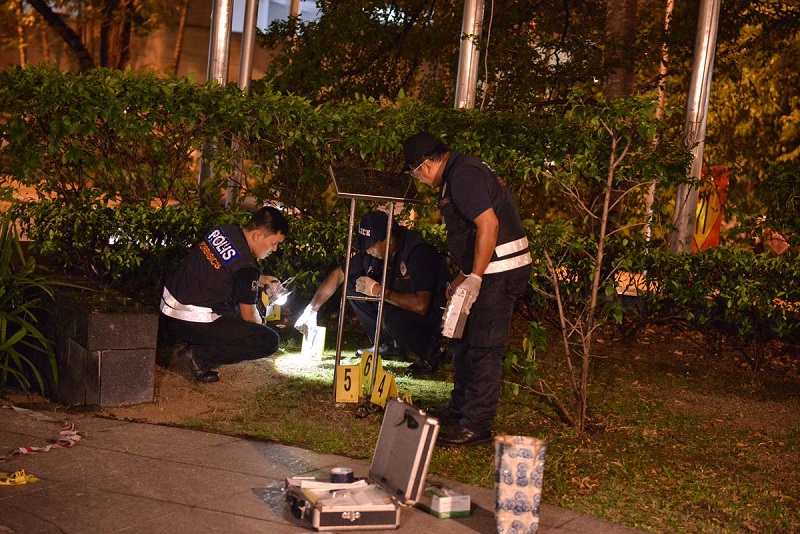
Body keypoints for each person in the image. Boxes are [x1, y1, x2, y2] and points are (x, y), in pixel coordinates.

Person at [403, 132, 532, 447]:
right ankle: (460, 407)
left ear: (426, 165)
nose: (418, 179)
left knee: (485, 347)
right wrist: (463, 278)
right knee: (463, 338)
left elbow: (489, 225)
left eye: (415, 173)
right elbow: (471, 234)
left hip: (498, 271)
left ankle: (476, 425)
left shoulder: (462, 175)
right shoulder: (459, 171)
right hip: (485, 268)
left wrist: (475, 277)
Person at [294, 211, 450, 377]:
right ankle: (388, 345)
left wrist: (378, 291)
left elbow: (421, 305)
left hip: (433, 316)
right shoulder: (376, 253)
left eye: (372, 246)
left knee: (393, 319)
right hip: (399, 306)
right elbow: (340, 274)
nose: (368, 252)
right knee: (354, 287)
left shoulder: (417, 252)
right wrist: (311, 309)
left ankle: (433, 353)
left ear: (389, 240)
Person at [159, 206, 289, 383]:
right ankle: (199, 357)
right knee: (267, 340)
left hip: (168, 310)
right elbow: (249, 318)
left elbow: (225, 268)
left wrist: (260, 279)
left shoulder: (223, 231)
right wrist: (261, 324)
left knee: (232, 307)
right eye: (274, 243)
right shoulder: (247, 267)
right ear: (258, 235)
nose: (274, 249)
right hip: (189, 322)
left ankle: (194, 347)